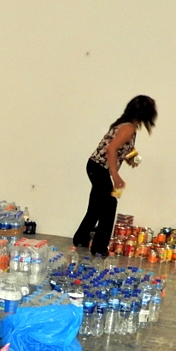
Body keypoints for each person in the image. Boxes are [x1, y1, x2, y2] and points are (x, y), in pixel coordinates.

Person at [72, 95, 157, 257]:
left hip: (96, 167)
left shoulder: (127, 126)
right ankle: (99, 247)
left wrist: (131, 157)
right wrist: (115, 175)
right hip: (99, 168)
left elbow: (120, 147)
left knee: (97, 205)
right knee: (109, 205)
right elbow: (111, 149)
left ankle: (81, 237)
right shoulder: (128, 128)